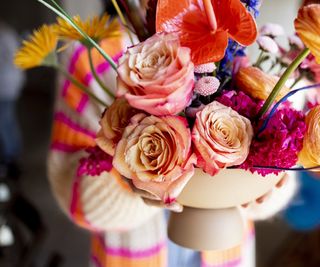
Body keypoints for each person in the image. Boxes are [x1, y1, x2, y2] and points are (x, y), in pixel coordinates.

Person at [47, 1, 297, 266]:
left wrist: (264, 185)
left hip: (227, 255)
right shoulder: (91, 55)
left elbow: (283, 169)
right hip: (131, 256)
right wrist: (133, 174)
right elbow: (75, 197)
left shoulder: (231, 40)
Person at [0, 22, 25, 178]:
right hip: (8, 85)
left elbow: (12, 61)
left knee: (4, 121)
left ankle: (11, 158)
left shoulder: (4, 34)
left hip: (6, 87)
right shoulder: (6, 32)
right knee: (6, 120)